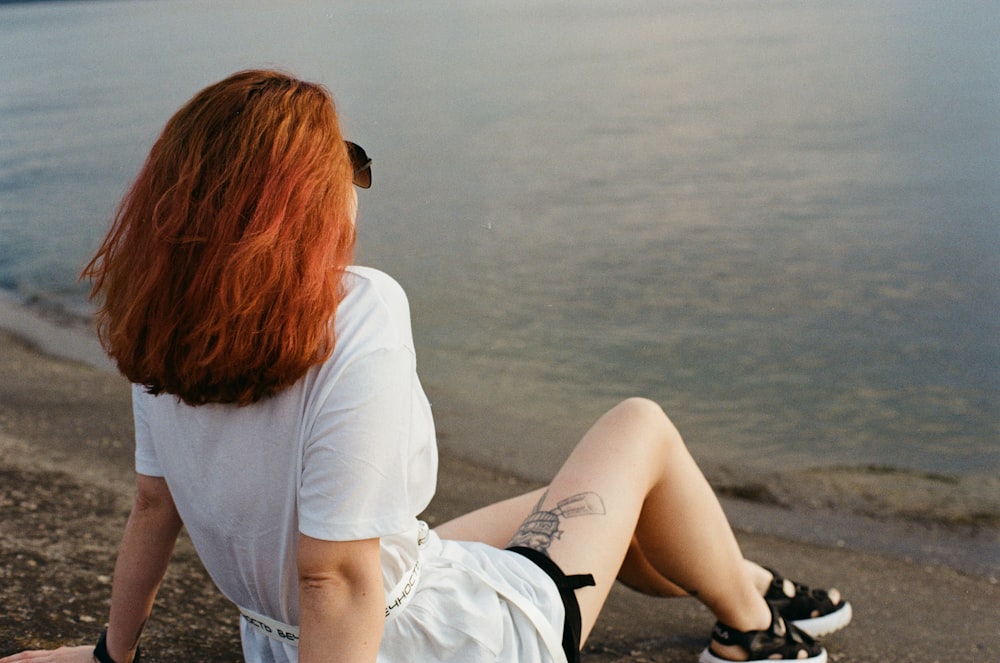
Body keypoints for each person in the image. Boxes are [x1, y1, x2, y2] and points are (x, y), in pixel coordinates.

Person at [0, 70, 851, 663]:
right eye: (345, 166)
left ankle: (741, 573)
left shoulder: (166, 327)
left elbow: (155, 506)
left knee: (568, 503)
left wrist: (115, 653)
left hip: (300, 630)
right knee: (640, 426)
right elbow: (331, 571)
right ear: (297, 201)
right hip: (435, 639)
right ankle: (750, 627)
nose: (354, 188)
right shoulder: (357, 308)